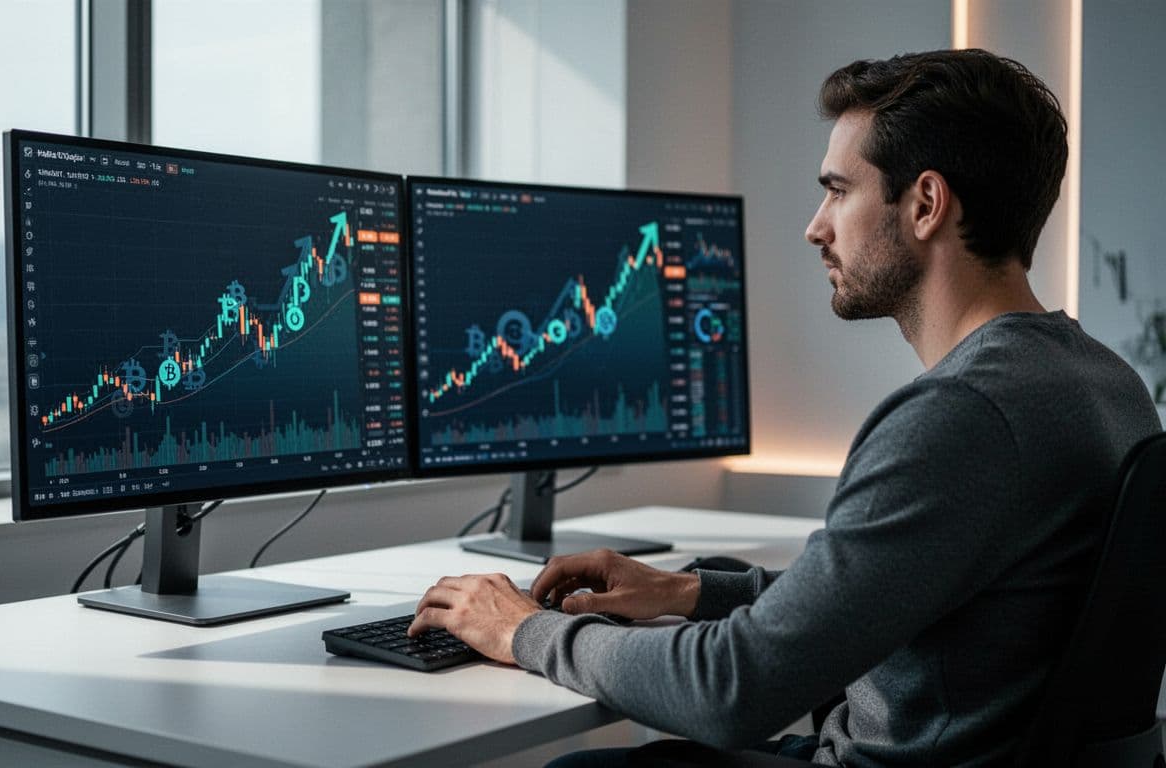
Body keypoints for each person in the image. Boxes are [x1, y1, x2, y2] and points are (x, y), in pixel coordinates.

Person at [407, 49, 1162, 767]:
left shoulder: (959, 415)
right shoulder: (1102, 383)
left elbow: (732, 691)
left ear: (926, 203)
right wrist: (692, 590)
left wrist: (525, 631)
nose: (815, 226)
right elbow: (890, 590)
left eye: (837, 189)